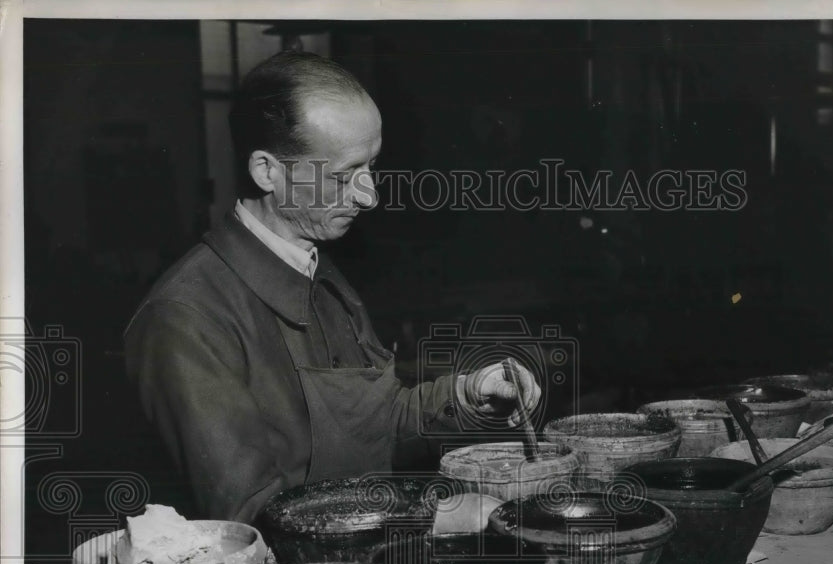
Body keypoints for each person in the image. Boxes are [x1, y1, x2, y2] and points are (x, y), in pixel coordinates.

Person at [125, 51, 540, 523]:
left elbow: (373, 425)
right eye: (342, 176)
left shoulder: (319, 271)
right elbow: (250, 518)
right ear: (267, 171)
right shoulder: (186, 318)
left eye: (371, 166)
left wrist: (469, 393)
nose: (369, 196)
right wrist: (437, 516)